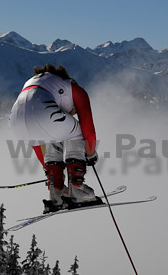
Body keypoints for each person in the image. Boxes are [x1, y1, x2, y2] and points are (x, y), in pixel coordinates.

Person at [9, 64, 100, 212]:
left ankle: (56, 193)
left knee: (52, 134)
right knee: (77, 132)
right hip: (42, 113)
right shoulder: (74, 87)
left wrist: (52, 176)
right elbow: (88, 129)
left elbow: (37, 143)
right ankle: (77, 190)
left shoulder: (35, 83)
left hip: (14, 122)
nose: (73, 112)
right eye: (73, 110)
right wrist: (90, 153)